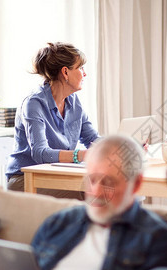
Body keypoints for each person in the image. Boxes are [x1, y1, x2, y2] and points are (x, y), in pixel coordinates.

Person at [0, 135, 167, 270]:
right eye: (92, 179)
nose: (96, 192)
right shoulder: (61, 221)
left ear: (137, 184)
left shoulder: (157, 236)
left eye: (109, 182)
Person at [6, 42, 99, 196]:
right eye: (80, 68)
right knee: (92, 193)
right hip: (25, 180)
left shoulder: (74, 102)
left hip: (56, 175)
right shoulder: (34, 104)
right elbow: (40, 153)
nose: (85, 73)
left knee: (116, 187)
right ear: (65, 72)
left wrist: (122, 147)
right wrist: (81, 155)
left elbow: (92, 139)